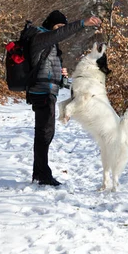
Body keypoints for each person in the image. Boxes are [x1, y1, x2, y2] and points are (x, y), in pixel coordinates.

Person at [27, 10, 102, 186]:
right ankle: (42, 174)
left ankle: (40, 172)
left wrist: (61, 77)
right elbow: (60, 34)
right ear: (50, 25)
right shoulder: (41, 37)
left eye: (62, 26)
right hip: (42, 92)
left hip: (48, 91)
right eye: (58, 26)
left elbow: (46, 68)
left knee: (46, 133)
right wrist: (82, 23)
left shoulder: (50, 44)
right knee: (44, 134)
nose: (60, 30)